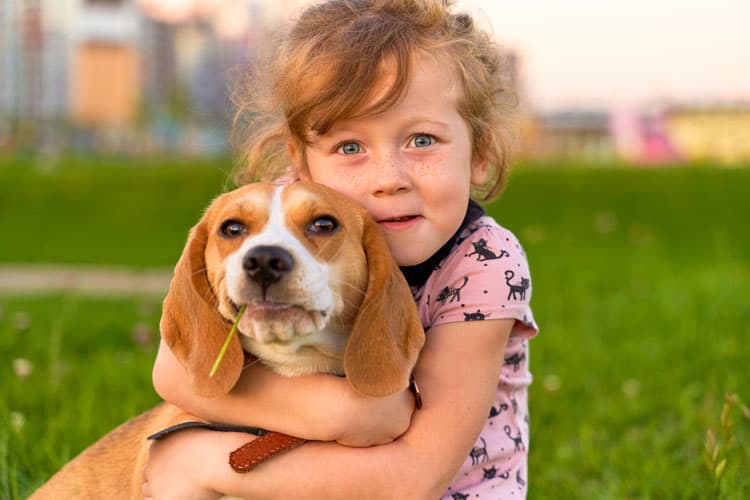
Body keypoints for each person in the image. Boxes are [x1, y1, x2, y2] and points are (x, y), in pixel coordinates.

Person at [142, 0, 538, 498]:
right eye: (350, 148)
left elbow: (416, 477)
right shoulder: (291, 217)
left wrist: (205, 464)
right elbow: (172, 371)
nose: (387, 180)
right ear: (303, 164)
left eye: (421, 140)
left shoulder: (484, 263)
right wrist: (347, 413)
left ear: (478, 155)